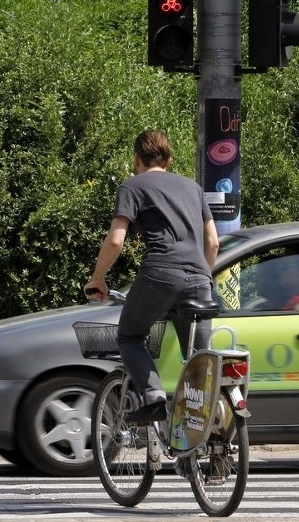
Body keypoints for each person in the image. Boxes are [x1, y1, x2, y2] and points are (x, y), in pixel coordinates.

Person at [84, 129, 219, 424]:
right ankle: (199, 444)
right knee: (198, 362)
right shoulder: (193, 188)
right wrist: (203, 278)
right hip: (199, 279)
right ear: (169, 160)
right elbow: (213, 243)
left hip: (160, 274)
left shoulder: (133, 186)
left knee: (130, 336)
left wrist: (98, 278)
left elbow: (116, 240)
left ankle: (153, 396)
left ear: (136, 160)